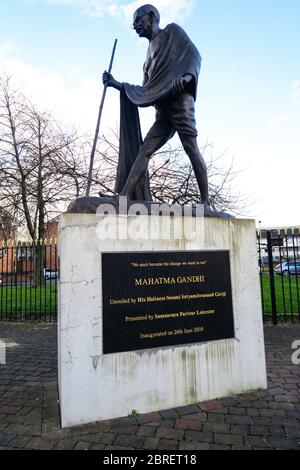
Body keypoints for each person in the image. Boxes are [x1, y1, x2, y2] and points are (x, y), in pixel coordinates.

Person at [103, 4, 210, 208]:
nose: (134, 26)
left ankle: (206, 201)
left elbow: (194, 55)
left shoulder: (172, 32)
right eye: (133, 22)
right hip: (163, 111)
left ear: (151, 17)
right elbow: (146, 91)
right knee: (145, 150)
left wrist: (186, 77)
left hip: (180, 101)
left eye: (138, 20)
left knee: (190, 146)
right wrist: (116, 84)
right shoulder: (146, 62)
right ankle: (123, 198)